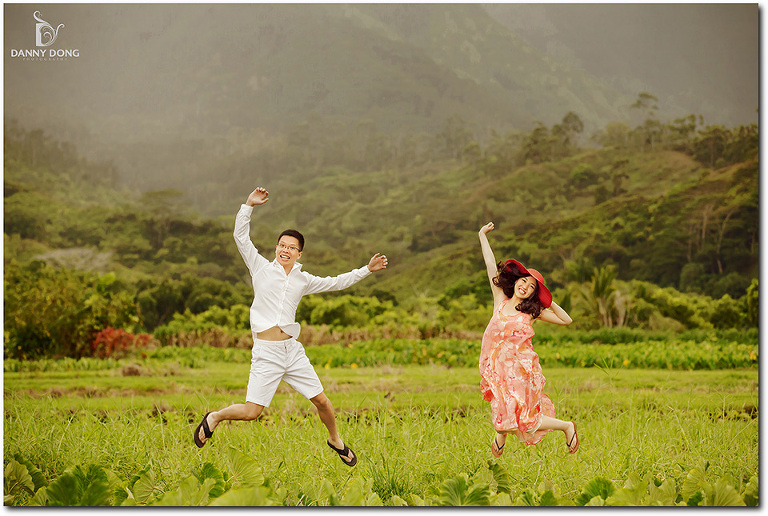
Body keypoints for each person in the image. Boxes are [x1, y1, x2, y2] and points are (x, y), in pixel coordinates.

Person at [194, 186, 388, 467]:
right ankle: (215, 417)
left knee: (322, 401)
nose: (285, 250)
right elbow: (241, 237)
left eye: (291, 248)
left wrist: (366, 270)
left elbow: (336, 282)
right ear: (276, 248)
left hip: (292, 351)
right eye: (282, 245)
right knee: (251, 412)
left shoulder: (303, 280)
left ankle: (335, 440)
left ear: (299, 254)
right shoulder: (260, 268)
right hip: (266, 352)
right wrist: (248, 205)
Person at [477, 222, 578, 457]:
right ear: (516, 281)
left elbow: (566, 320)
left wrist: (547, 299)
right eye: (524, 281)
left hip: (520, 371)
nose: (525, 286)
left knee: (526, 422)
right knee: (505, 414)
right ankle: (502, 433)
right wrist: (482, 235)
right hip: (497, 369)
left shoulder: (532, 312)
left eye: (532, 286)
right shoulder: (500, 299)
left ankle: (566, 426)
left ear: (534, 293)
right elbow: (490, 264)